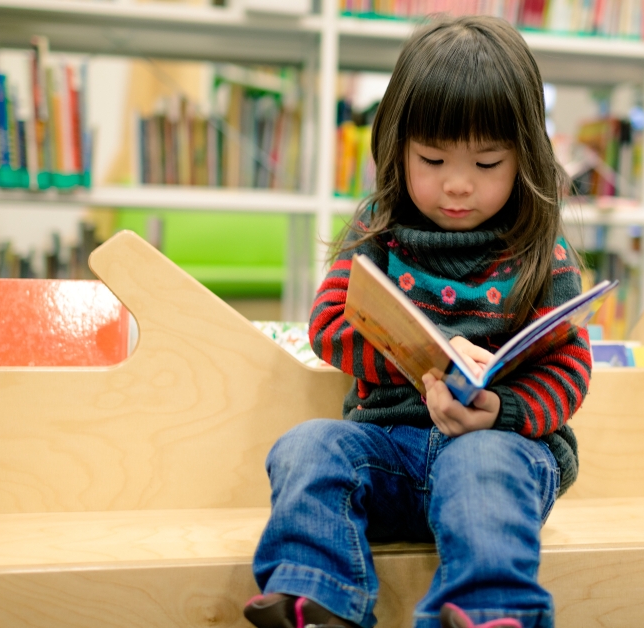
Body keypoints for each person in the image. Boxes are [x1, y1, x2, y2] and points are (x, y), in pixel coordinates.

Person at [244, 15, 591, 628]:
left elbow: (568, 369)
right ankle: (318, 598)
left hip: (499, 457)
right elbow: (329, 323)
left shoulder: (540, 247)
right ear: (396, 146)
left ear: (525, 157)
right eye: (432, 159)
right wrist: (422, 357)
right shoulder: (378, 228)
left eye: (488, 164)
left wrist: (501, 409)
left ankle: (490, 612)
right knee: (307, 446)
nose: (457, 186)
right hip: (387, 452)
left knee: (480, 465)